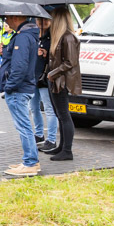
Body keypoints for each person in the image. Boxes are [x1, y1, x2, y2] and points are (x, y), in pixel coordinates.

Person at [0, 14, 40, 176]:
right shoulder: (28, 35)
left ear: (15, 17)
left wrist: (9, 87)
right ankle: (31, 160)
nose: (5, 21)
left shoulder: (22, 37)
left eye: (7, 18)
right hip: (23, 87)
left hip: (18, 89)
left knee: (23, 127)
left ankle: (30, 163)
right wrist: (5, 51)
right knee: (25, 126)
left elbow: (19, 65)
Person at [44, 8, 81, 161]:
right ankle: (62, 147)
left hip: (61, 81)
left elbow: (70, 62)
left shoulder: (68, 37)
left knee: (64, 115)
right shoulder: (59, 37)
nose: (50, 21)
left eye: (52, 18)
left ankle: (67, 150)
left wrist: (52, 73)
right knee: (60, 115)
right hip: (55, 80)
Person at [31, 17, 57, 150]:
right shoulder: (34, 37)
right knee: (34, 108)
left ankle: (51, 139)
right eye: (39, 20)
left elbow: (57, 58)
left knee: (49, 109)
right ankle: (39, 134)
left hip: (45, 78)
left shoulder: (52, 38)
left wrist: (47, 55)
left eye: (46, 20)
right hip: (33, 77)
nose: (42, 23)